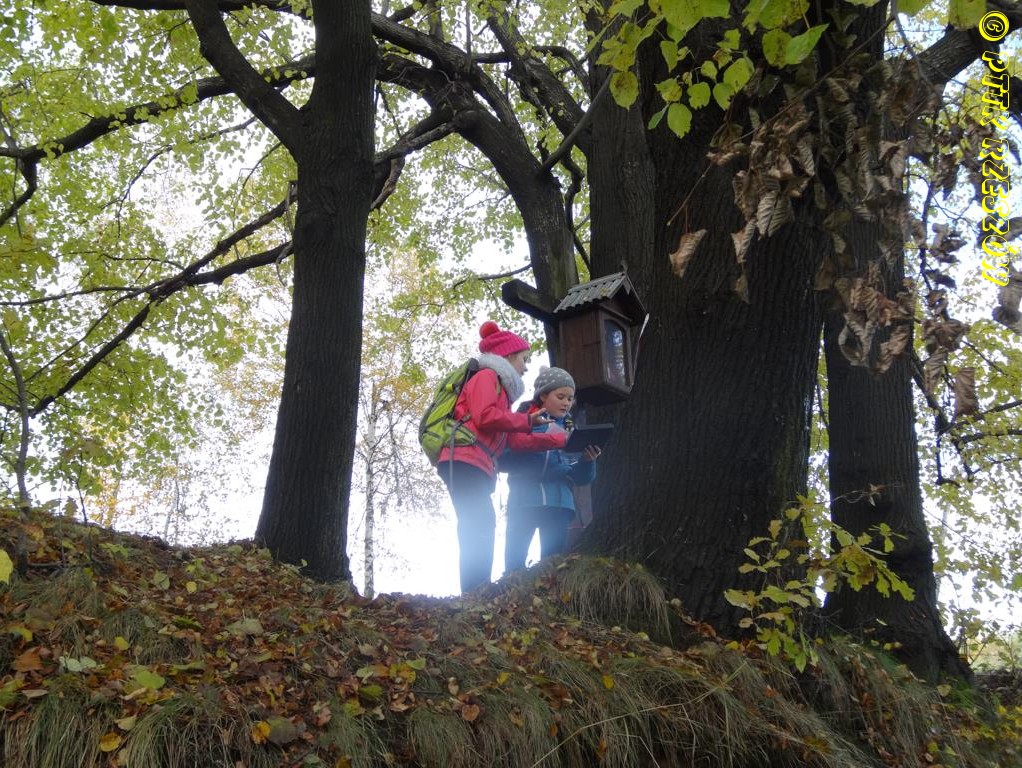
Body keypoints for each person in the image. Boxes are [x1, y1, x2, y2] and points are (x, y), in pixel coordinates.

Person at [437, 320, 567, 593]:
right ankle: (475, 592)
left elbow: (515, 441)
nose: (526, 366)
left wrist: (556, 440)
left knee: (480, 522)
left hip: (474, 461)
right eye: (523, 359)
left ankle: (477, 590)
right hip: (465, 458)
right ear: (508, 355)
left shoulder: (501, 390)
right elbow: (485, 416)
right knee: (478, 523)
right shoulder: (487, 376)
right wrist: (527, 420)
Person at [502, 366, 601, 575]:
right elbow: (503, 458)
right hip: (524, 500)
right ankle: (510, 593)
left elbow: (582, 478)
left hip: (559, 504)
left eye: (570, 398)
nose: (566, 403)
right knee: (514, 563)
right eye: (560, 396)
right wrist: (542, 443)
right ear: (543, 396)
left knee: (553, 565)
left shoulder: (571, 430)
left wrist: (588, 461)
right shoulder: (522, 421)